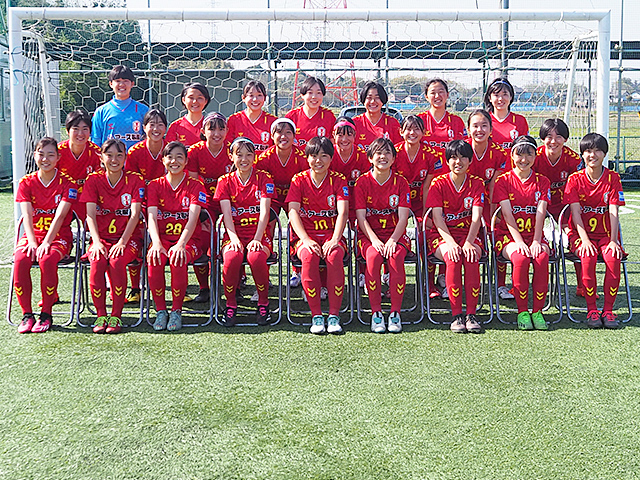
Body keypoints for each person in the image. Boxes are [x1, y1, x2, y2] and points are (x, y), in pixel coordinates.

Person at [14, 137, 78, 333]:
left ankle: (46, 314)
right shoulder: (26, 182)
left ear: (58, 158)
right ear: (34, 156)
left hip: (59, 238)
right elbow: (26, 215)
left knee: (47, 259)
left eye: (51, 155)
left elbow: (60, 216)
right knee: (20, 260)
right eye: (41, 154)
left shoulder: (68, 183)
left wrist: (46, 242)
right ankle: (27, 315)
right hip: (33, 236)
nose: (45, 159)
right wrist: (32, 241)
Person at [81, 139, 145, 334]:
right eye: (109, 155)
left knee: (117, 262)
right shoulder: (93, 180)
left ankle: (116, 315)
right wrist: (96, 242)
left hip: (128, 239)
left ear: (125, 158)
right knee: (97, 261)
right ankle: (101, 314)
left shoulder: (135, 179)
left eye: (119, 155)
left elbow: (135, 214)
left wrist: (123, 242)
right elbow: (90, 215)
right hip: (101, 239)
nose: (114, 160)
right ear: (101, 158)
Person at [287, 136, 349, 335]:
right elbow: (292, 212)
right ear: (307, 158)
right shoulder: (298, 180)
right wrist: (305, 239)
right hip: (306, 237)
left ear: (331, 158)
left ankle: (334, 315)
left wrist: (335, 239)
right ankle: (316, 315)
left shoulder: (338, 180)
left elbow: (343, 212)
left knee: (334, 255)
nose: (318, 160)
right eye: (314, 156)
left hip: (331, 235)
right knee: (309, 256)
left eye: (324, 156)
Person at [564, 133, 625, 329]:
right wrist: (584, 240)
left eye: (598, 150)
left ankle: (608, 310)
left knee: (613, 257)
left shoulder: (613, 178)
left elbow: (614, 211)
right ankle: (591, 310)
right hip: (580, 235)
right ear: (582, 154)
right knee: (587, 255)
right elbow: (575, 213)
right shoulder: (574, 179)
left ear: (605, 154)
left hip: (606, 235)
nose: (593, 155)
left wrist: (614, 240)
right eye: (588, 151)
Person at [146, 141, 208, 331]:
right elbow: (151, 217)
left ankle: (176, 310)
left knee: (177, 257)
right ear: (163, 160)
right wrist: (156, 243)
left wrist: (181, 244)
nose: (174, 161)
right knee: (154, 256)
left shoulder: (195, 185)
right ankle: (160, 310)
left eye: (179, 157)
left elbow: (193, 218)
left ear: (186, 161)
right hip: (163, 239)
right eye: (170, 157)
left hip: (189, 240)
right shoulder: (154, 185)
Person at [214, 137, 275, 327]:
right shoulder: (224, 181)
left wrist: (257, 238)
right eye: (239, 155)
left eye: (249, 155)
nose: (244, 159)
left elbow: (265, 212)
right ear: (231, 156)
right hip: (234, 233)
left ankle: (263, 303)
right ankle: (230, 304)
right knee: (232, 257)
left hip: (258, 233)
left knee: (256, 257)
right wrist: (233, 239)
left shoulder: (264, 178)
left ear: (255, 157)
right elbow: (226, 215)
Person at [425, 140, 485, 333]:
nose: (458, 162)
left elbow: (476, 217)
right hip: (442, 235)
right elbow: (437, 218)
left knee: (471, 256)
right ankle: (456, 315)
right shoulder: (438, 183)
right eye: (453, 158)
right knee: (453, 257)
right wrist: (450, 243)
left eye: (463, 157)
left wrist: (468, 242)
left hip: (468, 234)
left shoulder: (477, 183)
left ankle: (471, 314)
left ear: (470, 161)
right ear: (447, 161)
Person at [493, 135, 551, 331]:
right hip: (508, 236)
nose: (524, 160)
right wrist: (519, 242)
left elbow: (541, 213)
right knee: (521, 258)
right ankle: (522, 311)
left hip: (534, 236)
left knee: (541, 257)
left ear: (535, 156)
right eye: (519, 154)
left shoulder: (543, 181)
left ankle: (538, 311)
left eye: (529, 154)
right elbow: (507, 214)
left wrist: (536, 241)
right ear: (512, 155)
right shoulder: (503, 181)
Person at [354, 137, 410, 334]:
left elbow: (403, 218)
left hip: (395, 234)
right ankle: (376, 312)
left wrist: (393, 240)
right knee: (373, 257)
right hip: (370, 236)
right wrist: (375, 240)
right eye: (378, 153)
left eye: (387, 153)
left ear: (394, 158)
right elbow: (361, 218)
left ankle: (395, 313)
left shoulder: (401, 182)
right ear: (370, 157)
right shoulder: (362, 182)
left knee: (395, 257)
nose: (383, 157)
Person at [533, 118, 585, 298]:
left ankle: (582, 284)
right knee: (530, 239)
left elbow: (577, 187)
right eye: (549, 136)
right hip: (539, 205)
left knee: (576, 238)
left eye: (559, 136)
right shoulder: (534, 157)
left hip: (565, 205)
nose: (553, 141)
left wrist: (567, 220)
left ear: (566, 139)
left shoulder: (573, 159)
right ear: (542, 138)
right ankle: (522, 284)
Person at [186, 112, 234, 304]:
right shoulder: (195, 151)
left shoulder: (232, 150)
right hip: (205, 204)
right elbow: (193, 183)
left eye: (221, 129)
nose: (216, 133)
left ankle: (235, 286)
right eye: (211, 129)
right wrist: (202, 210)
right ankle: (204, 287)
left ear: (227, 131)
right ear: (203, 131)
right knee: (204, 240)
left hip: (229, 201)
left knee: (235, 239)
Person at [255, 118, 308, 288]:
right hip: (273, 197)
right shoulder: (265, 158)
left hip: (295, 197)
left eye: (288, 133)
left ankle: (297, 271)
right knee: (267, 227)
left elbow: (306, 181)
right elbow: (261, 183)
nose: (283, 136)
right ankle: (265, 273)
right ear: (272, 136)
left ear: (294, 136)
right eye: (279, 132)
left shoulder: (301, 157)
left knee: (297, 227)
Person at [124, 108, 169, 304]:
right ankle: (135, 288)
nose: (156, 129)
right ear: (144, 128)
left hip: (168, 205)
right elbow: (131, 182)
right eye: (152, 124)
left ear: (166, 128)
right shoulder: (134, 152)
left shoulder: (171, 149)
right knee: (137, 237)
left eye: (160, 124)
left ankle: (180, 288)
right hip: (141, 205)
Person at [466, 109, 511, 299]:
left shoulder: (499, 153)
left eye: (484, 126)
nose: (480, 130)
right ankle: (444, 280)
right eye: (475, 126)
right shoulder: (462, 150)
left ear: (491, 129)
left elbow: (495, 186)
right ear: (468, 129)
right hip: (463, 203)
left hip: (488, 202)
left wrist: (493, 214)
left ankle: (500, 284)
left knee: (496, 233)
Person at [57, 110, 102, 220]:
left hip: (86, 199)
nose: (80, 134)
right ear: (67, 131)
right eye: (76, 129)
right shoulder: (57, 152)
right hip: (62, 198)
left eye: (85, 129)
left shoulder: (97, 153)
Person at [91, 65, 149, 150]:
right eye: (118, 81)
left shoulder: (143, 110)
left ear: (132, 84)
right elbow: (96, 141)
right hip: (110, 158)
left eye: (125, 81)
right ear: (111, 84)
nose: (122, 84)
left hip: (136, 158)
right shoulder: (101, 112)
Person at [330, 116, 370, 224]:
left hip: (356, 204)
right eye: (340, 135)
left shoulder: (362, 156)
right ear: (333, 135)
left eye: (349, 135)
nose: (344, 139)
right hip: (332, 204)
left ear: (355, 135)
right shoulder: (328, 154)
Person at [226, 80, 277, 152]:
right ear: (243, 98)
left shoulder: (273, 121)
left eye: (259, 95)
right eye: (251, 95)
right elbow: (227, 147)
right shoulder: (234, 119)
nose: (255, 99)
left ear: (265, 98)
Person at [285, 76, 336, 147]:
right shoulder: (292, 116)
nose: (314, 97)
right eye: (310, 92)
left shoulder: (328, 116)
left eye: (318, 93)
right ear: (302, 95)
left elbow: (333, 143)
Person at [352, 81, 402, 151]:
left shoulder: (392, 123)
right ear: (363, 100)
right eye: (369, 97)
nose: (373, 101)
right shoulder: (355, 123)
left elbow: (398, 149)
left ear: (383, 100)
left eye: (377, 97)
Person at [418, 78, 466, 149]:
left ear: (447, 95)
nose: (437, 96)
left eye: (441, 92)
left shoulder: (456, 121)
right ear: (426, 97)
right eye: (433, 93)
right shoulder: (419, 120)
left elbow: (464, 148)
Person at [483, 77, 529, 151]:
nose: (500, 99)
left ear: (511, 97)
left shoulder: (520, 121)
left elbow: (526, 149)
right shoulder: (483, 121)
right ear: (490, 98)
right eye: (496, 95)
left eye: (505, 94)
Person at [166, 83, 211, 147]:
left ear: (206, 101)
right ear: (183, 100)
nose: (195, 101)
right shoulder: (175, 126)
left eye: (199, 98)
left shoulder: (211, 125)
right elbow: (169, 150)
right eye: (191, 97)